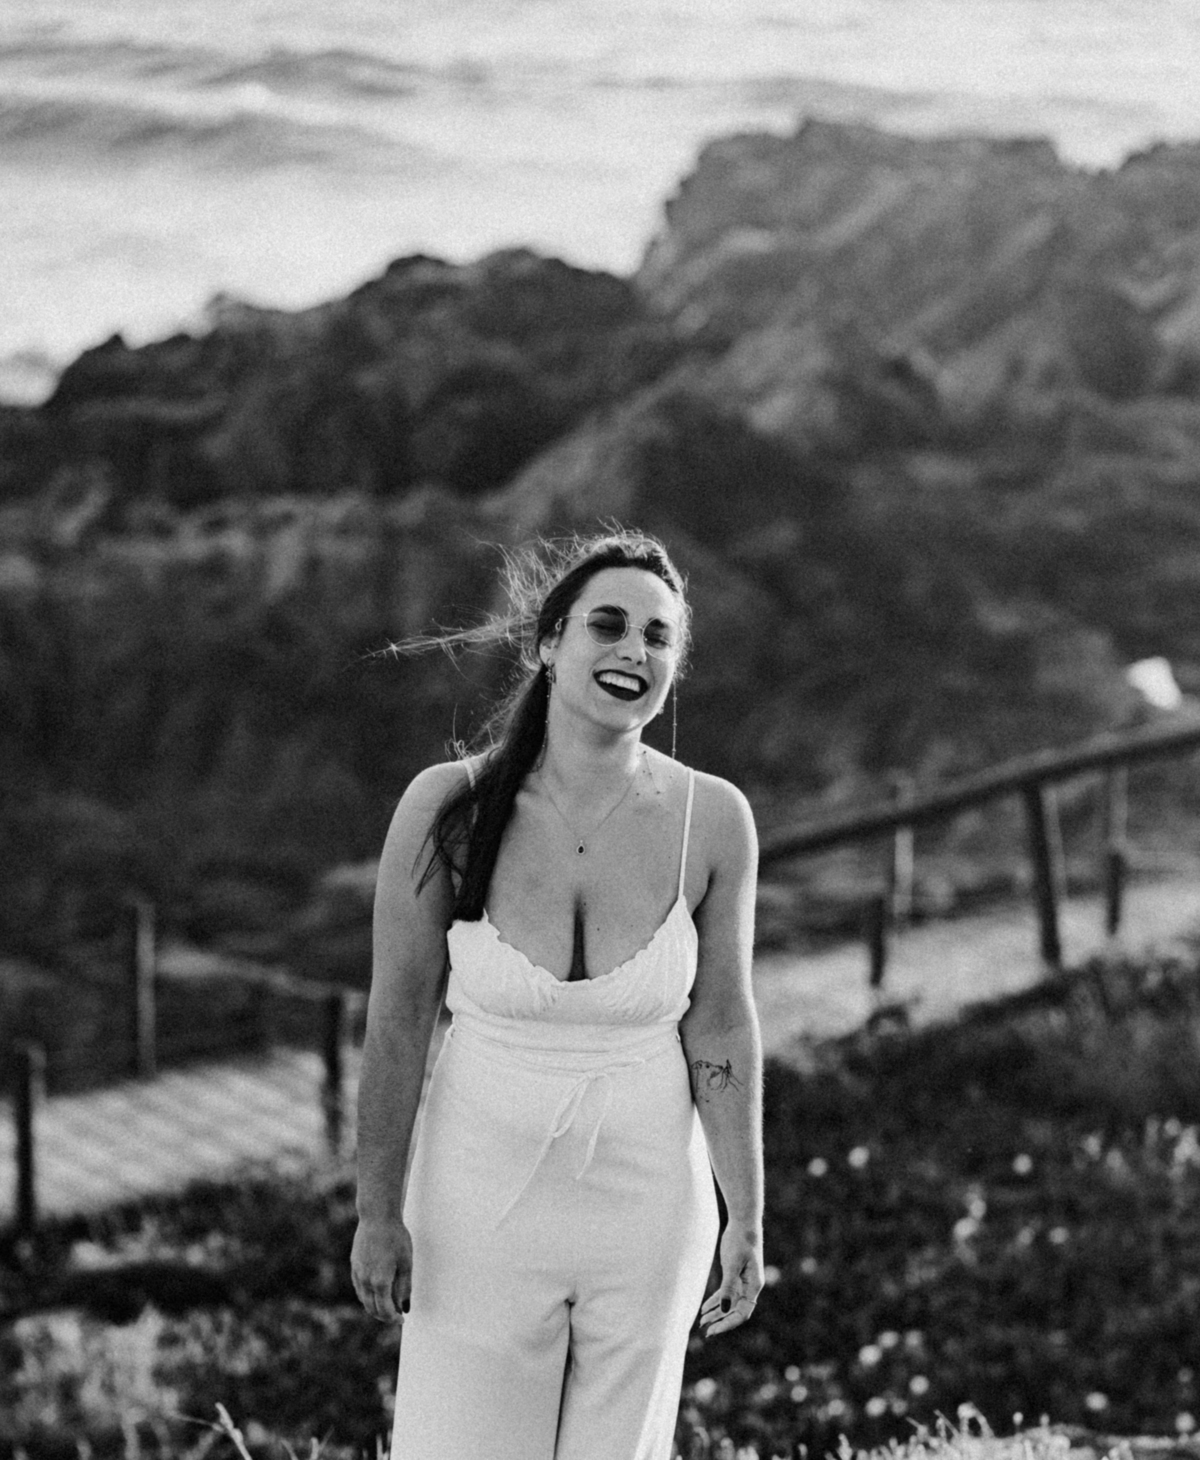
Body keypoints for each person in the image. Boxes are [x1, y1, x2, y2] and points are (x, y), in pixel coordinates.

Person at [350, 529, 764, 1460]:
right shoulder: (447, 807)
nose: (633, 652)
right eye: (607, 626)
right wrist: (377, 1211)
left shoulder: (713, 819)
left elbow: (723, 1027)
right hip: (476, 1210)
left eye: (658, 637)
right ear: (548, 643)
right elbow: (398, 1019)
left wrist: (747, 1214)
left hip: (649, 1214)